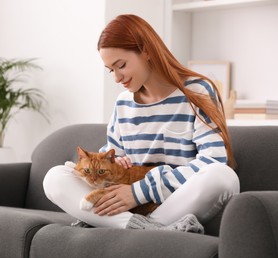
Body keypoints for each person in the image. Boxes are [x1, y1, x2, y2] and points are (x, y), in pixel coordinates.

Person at [43, 14, 239, 233]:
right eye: (111, 70)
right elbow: (112, 155)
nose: (117, 78)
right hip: (131, 207)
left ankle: (126, 229)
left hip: (176, 201)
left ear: (146, 50)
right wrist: (116, 159)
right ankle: (151, 231)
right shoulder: (123, 103)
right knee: (55, 178)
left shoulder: (197, 91)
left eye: (121, 65)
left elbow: (213, 160)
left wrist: (138, 192)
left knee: (223, 177)